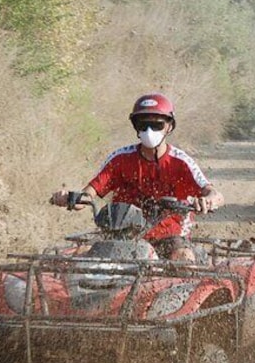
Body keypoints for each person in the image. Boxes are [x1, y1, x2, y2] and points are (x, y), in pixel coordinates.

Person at [49, 92, 224, 262]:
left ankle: (180, 290)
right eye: (143, 124)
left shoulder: (181, 162)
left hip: (170, 236)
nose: (149, 130)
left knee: (183, 258)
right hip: (121, 234)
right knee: (81, 253)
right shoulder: (120, 159)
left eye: (157, 125)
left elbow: (216, 195)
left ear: (169, 126)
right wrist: (68, 198)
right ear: (136, 126)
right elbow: (87, 195)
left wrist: (207, 201)